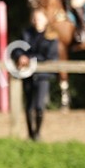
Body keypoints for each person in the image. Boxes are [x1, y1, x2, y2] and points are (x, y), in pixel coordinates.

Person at [11, 10, 60, 141]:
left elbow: (50, 57)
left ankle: (37, 133)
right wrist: (20, 56)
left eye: (39, 18)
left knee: (39, 106)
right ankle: (30, 134)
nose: (36, 20)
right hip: (28, 75)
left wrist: (29, 59)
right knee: (28, 106)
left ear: (45, 20)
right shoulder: (26, 33)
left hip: (42, 76)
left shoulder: (52, 37)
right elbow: (16, 48)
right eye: (34, 18)